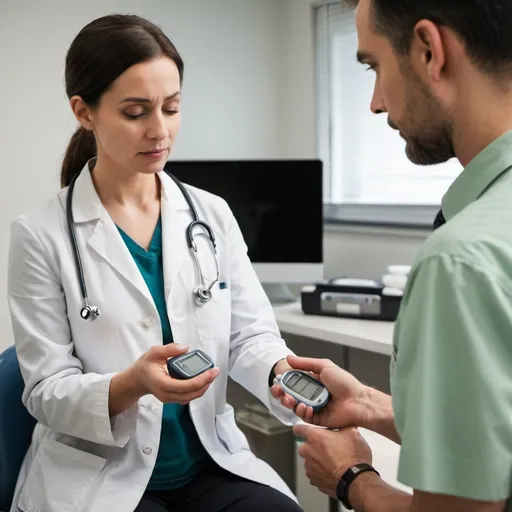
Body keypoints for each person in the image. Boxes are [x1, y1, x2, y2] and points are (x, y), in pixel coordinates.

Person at [6, 14, 303, 512]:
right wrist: (131, 384)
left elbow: (250, 335)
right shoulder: (40, 234)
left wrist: (281, 374)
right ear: (85, 112)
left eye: (171, 107)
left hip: (209, 466)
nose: (159, 130)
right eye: (135, 112)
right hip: (102, 475)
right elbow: (44, 391)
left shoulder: (210, 215)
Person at [271, 0, 512, 511]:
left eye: (375, 67)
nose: (376, 104)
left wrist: (349, 477)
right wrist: (367, 404)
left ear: (429, 50)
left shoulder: (460, 262)